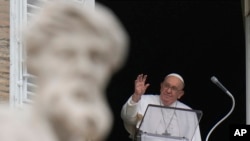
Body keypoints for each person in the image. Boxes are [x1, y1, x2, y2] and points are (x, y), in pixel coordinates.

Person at [121, 73, 202, 141]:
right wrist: (136, 95)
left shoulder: (188, 113)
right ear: (161, 86)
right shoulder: (143, 100)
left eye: (174, 88)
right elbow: (127, 118)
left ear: (180, 94)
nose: (168, 91)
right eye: (166, 85)